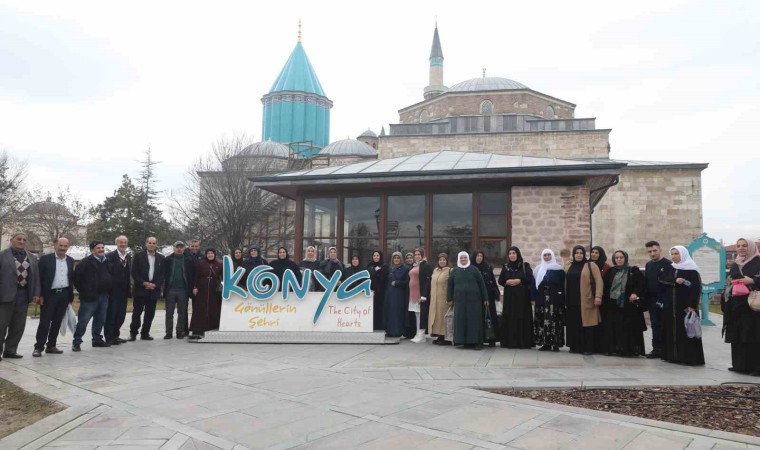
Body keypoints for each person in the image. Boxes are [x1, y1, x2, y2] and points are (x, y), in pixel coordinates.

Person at [660, 246, 705, 366]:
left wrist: (692, 305)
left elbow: (696, 288)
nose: (674, 256)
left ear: (683, 254)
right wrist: (675, 280)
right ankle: (673, 356)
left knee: (687, 331)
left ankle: (689, 358)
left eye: (677, 253)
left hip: (685, 306)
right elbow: (662, 280)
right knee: (672, 330)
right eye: (672, 254)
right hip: (671, 305)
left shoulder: (692, 269)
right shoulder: (670, 268)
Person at [0, 233, 41, 360]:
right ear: (12, 240)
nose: (22, 241)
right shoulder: (2, 255)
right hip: (4, 295)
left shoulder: (32, 257)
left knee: (18, 326)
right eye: (19, 239)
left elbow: (36, 277)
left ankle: (10, 350)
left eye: (24, 239)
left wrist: (36, 293)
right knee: (1, 325)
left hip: (23, 295)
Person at [723, 238, 760, 375]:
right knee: (738, 336)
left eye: (744, 245)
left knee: (753, 336)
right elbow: (729, 281)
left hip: (753, 306)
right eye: (738, 246)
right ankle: (739, 365)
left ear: (751, 247)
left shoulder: (758, 261)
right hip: (736, 305)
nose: (741, 248)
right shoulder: (736, 264)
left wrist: (753, 280)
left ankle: (755, 368)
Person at [601, 250, 647, 357]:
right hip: (613, 305)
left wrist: (635, 293)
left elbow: (641, 284)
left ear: (625, 258)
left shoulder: (633, 270)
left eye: (621, 257)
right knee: (615, 327)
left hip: (628, 305)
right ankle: (616, 348)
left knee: (628, 328)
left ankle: (629, 350)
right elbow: (606, 286)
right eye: (616, 258)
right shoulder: (611, 271)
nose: (619, 259)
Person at [34, 237, 74, 357]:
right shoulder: (45, 259)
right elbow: (39, 278)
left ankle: (51, 345)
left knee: (57, 321)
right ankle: (38, 347)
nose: (63, 248)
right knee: (45, 322)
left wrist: (70, 298)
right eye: (60, 245)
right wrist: (40, 295)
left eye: (65, 246)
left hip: (64, 294)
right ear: (55, 245)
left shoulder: (70, 260)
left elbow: (70, 279)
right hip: (49, 295)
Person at [72, 241, 113, 351]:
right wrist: (84, 291)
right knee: (83, 321)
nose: (101, 250)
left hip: (104, 296)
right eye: (98, 248)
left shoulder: (108, 261)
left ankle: (97, 340)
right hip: (89, 298)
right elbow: (76, 279)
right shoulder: (85, 262)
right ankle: (76, 342)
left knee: (100, 320)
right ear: (92, 250)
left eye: (102, 247)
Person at [564, 246, 603, 355]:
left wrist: (598, 296)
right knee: (574, 324)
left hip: (586, 300)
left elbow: (599, 281)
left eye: (581, 253)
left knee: (587, 325)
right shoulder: (569, 266)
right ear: (573, 254)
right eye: (576, 253)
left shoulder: (591, 265)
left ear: (584, 254)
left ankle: (588, 348)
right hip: (571, 300)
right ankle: (575, 346)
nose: (579, 255)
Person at [448, 251, 488, 350]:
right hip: (459, 300)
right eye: (461, 258)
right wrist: (449, 299)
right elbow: (450, 285)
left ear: (468, 259)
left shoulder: (474, 269)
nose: (463, 259)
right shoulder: (455, 271)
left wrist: (485, 297)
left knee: (474, 320)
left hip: (474, 300)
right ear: (459, 259)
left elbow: (481, 283)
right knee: (461, 320)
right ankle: (463, 341)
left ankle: (476, 342)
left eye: (465, 257)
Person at [130, 237, 165, 341]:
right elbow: (134, 272)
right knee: (137, 313)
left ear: (156, 245)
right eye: (149, 243)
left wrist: (155, 285)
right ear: (146, 244)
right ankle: (133, 333)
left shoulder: (161, 258)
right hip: (140, 289)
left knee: (150, 313)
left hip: (154, 290)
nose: (151, 245)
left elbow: (163, 274)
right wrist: (143, 283)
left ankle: (145, 333)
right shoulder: (138, 256)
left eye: (154, 243)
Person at [498, 246, 534, 349]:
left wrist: (519, 281)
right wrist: (507, 282)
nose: (512, 255)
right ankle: (510, 342)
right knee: (510, 317)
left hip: (522, 297)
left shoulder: (525, 266)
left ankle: (522, 342)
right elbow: (500, 280)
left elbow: (530, 279)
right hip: (509, 297)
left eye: (514, 253)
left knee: (521, 316)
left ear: (517, 254)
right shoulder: (505, 267)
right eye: (510, 253)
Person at [532, 249, 565, 352]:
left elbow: (562, 285)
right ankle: (545, 343)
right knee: (543, 320)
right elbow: (534, 285)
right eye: (545, 255)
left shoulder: (559, 270)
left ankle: (555, 343)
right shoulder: (538, 269)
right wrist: (533, 298)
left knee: (555, 320)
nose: (547, 257)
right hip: (541, 298)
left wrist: (561, 298)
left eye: (549, 255)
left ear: (552, 256)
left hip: (555, 298)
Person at [644, 240, 671, 359]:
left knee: (664, 325)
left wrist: (664, 300)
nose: (652, 253)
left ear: (660, 250)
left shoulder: (668, 264)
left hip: (664, 300)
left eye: (655, 251)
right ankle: (656, 349)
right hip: (652, 301)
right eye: (650, 251)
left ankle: (666, 349)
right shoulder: (648, 265)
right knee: (655, 325)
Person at [163, 241, 195, 339]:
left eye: (181, 247)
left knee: (182, 313)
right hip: (170, 290)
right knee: (169, 313)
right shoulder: (168, 260)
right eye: (177, 247)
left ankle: (179, 332)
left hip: (183, 290)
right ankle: (168, 332)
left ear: (184, 248)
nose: (179, 249)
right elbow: (163, 274)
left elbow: (191, 275)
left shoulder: (188, 260)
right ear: (174, 248)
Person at [190, 248, 223, 338]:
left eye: (212, 253)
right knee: (200, 309)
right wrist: (194, 287)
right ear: (206, 254)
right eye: (208, 253)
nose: (210, 255)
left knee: (213, 308)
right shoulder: (201, 263)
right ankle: (198, 329)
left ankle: (211, 327)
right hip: (202, 289)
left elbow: (222, 277)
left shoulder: (219, 264)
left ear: (214, 254)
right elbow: (196, 276)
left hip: (214, 289)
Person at [105, 235, 131, 345]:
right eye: (121, 242)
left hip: (124, 291)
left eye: (125, 242)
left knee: (121, 315)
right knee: (111, 315)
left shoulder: (128, 257)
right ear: (117, 243)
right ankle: (109, 337)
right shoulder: (109, 256)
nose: (123, 244)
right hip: (113, 291)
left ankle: (116, 335)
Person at [472, 250, 500, 347]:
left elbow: (492, 280)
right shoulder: (471, 268)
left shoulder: (487, 267)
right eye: (477, 256)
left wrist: (496, 292)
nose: (479, 258)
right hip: (476, 296)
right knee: (479, 317)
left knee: (490, 317)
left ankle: (491, 338)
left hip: (489, 296)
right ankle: (479, 339)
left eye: (481, 256)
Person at [383, 252, 409, 338]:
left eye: (398, 258)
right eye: (395, 258)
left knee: (397, 313)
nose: (396, 259)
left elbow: (407, 282)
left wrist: (397, 283)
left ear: (401, 259)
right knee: (390, 312)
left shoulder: (405, 269)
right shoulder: (390, 268)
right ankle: (389, 331)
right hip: (389, 294)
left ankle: (398, 332)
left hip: (399, 295)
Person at [407, 249, 431, 343]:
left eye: (419, 254)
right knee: (417, 315)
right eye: (415, 254)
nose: (417, 256)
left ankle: (422, 335)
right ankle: (418, 333)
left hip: (420, 294)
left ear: (422, 255)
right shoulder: (415, 265)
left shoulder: (425, 265)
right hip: (413, 294)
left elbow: (427, 281)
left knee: (422, 315)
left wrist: (424, 295)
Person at [428, 253, 452, 345]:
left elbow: (451, 285)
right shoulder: (435, 270)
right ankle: (439, 336)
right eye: (440, 260)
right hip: (435, 299)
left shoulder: (450, 271)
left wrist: (450, 298)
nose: (442, 261)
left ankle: (446, 338)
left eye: (444, 260)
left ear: (447, 261)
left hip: (444, 299)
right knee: (436, 318)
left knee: (443, 318)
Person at [366, 251, 388, 330]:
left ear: (380, 256)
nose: (376, 257)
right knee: (371, 309)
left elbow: (383, 278)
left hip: (381, 292)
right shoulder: (369, 266)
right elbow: (367, 277)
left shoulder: (384, 266)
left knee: (380, 309)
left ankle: (380, 327)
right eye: (374, 255)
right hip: (370, 291)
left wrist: (377, 271)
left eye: (377, 255)